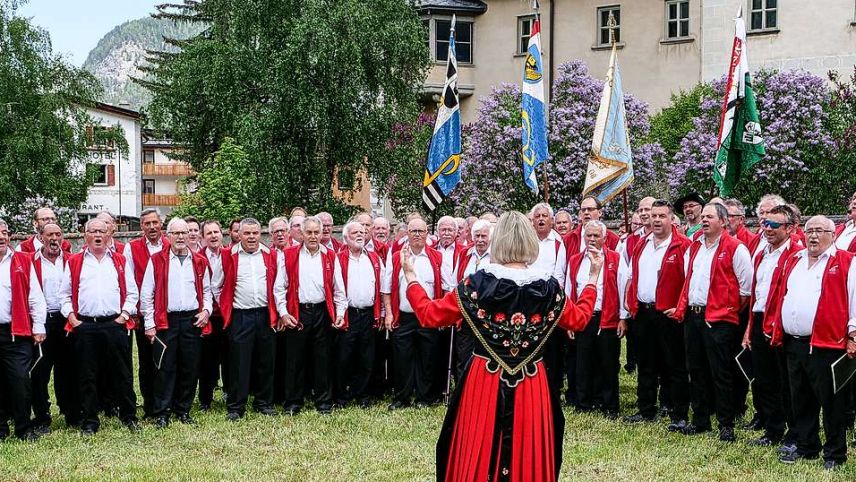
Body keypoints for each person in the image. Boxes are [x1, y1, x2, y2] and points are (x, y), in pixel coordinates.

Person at [403, 211, 602, 481]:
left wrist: (411, 277)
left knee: (479, 442)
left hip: (485, 379)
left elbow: (430, 314)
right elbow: (579, 320)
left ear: (498, 241)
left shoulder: (478, 283)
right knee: (527, 445)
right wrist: (592, 279)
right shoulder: (548, 287)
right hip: (531, 381)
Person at [768, 215, 856, 470]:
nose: (813, 236)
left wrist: (853, 336)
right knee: (801, 399)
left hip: (827, 344)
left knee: (832, 402)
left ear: (832, 234)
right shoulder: (794, 260)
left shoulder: (846, 261)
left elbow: (854, 300)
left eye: (820, 231)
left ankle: (835, 454)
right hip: (794, 343)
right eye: (809, 231)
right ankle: (807, 446)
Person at [668, 202, 753, 442]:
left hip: (719, 320)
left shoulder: (736, 248)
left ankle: (726, 423)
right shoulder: (694, 247)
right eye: (703, 216)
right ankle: (700, 420)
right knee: (696, 370)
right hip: (693, 316)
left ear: (723, 221)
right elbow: (689, 279)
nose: (704, 220)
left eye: (710, 216)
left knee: (721, 372)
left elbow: (745, 290)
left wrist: (726, 310)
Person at [60, 219, 140, 435]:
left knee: (122, 373)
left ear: (109, 235)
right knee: (86, 375)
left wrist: (124, 316)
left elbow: (132, 292)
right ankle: (90, 420)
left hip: (114, 325)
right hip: (85, 326)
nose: (97, 235)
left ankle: (129, 416)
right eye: (93, 231)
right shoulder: (75, 262)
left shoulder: (120, 260)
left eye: (101, 231)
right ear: (85, 235)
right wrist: (72, 319)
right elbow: (64, 295)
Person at [622, 200, 691, 431]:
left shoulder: (683, 245)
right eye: (654, 216)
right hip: (643, 311)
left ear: (672, 219)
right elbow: (632, 275)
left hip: (668, 314)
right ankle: (646, 409)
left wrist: (680, 308)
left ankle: (679, 413)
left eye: (662, 216)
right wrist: (630, 301)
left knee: (675, 365)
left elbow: (689, 280)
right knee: (646, 363)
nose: (657, 220)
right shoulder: (642, 243)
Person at [140, 218, 212, 428]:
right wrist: (149, 324)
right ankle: (162, 412)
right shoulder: (157, 260)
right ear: (168, 236)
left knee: (190, 367)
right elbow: (147, 295)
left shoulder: (199, 261)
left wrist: (206, 311)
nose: (181, 237)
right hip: (166, 321)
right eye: (176, 233)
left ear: (191, 236)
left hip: (192, 321)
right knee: (165, 367)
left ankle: (183, 410)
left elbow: (207, 291)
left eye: (184, 233)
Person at [741, 205, 802, 449]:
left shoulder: (797, 254)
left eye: (774, 225)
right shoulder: (761, 253)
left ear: (790, 228)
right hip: (759, 319)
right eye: (765, 224)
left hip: (781, 323)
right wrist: (749, 327)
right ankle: (772, 428)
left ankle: (795, 432)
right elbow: (756, 293)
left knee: (787, 381)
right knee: (764, 379)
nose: (767, 229)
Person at [218, 218, 288, 421]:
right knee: (239, 362)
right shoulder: (228, 255)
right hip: (241, 315)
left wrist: (279, 313)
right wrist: (225, 308)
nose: (251, 237)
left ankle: (263, 402)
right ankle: (236, 406)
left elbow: (279, 286)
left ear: (261, 234)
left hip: (265, 315)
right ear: (239, 235)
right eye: (247, 233)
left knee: (266, 361)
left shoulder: (271, 255)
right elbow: (216, 285)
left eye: (255, 233)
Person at [382, 218, 452, 409]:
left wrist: (442, 314)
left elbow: (447, 287)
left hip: (428, 318)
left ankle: (424, 398)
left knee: (427, 358)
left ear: (427, 233)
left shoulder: (437, 257)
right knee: (401, 359)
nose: (417, 235)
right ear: (407, 233)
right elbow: (386, 288)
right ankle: (402, 398)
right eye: (413, 231)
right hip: (403, 317)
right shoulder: (396, 257)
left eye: (421, 231)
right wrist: (389, 313)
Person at [281, 216, 347, 415]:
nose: (312, 236)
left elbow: (338, 289)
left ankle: (324, 403)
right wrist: (283, 313)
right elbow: (279, 287)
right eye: (308, 232)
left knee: (323, 358)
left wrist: (340, 312)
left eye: (316, 232)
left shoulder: (330, 255)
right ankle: (293, 403)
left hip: (321, 312)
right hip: (298, 311)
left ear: (321, 234)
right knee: (294, 360)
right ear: (301, 233)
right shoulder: (289, 255)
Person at [566, 220, 625, 419]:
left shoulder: (615, 258)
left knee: (608, 364)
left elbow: (622, 287)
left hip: (607, 317)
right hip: (583, 318)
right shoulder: (575, 260)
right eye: (588, 235)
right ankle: (584, 403)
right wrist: (569, 320)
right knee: (583, 363)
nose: (592, 239)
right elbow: (569, 290)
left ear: (604, 238)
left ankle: (610, 405)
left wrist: (623, 317)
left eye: (596, 236)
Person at [0, 218, 46, 441]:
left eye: (4, 232)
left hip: (15, 332)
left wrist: (38, 326)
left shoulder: (23, 260)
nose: (1, 237)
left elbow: (35, 296)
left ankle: (23, 427)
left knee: (20, 380)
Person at [30, 222, 76, 433]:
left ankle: (70, 412)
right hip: (43, 320)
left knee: (68, 368)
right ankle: (42, 416)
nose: (54, 239)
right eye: (50, 235)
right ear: (41, 237)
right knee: (40, 371)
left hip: (66, 320)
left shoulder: (71, 260)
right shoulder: (31, 261)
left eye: (58, 234)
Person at [333, 221, 383, 409]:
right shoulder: (339, 258)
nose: (360, 235)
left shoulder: (374, 258)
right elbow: (335, 288)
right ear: (346, 237)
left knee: (366, 357)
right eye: (355, 232)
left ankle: (362, 394)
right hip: (348, 314)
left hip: (368, 315)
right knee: (343, 357)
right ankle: (341, 396)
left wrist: (382, 312)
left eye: (362, 232)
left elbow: (382, 287)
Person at [123, 208, 166, 419]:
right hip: (143, 315)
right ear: (141, 227)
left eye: (154, 222)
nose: (151, 227)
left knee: (166, 361)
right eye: (147, 223)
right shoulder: (132, 248)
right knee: (147, 362)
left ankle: (166, 403)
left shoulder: (170, 244)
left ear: (161, 223)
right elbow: (129, 281)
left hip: (166, 314)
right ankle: (150, 406)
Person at [453, 219, 492, 379]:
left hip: (488, 317)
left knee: (485, 358)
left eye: (484, 236)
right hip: (466, 315)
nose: (480, 240)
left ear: (490, 237)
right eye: (477, 236)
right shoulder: (465, 254)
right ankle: (462, 389)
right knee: (464, 356)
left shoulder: (497, 256)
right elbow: (455, 283)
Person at [198, 220, 229, 410]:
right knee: (207, 360)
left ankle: (230, 393)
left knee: (230, 357)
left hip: (227, 316)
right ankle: (205, 399)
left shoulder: (230, 255)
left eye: (216, 232)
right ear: (202, 237)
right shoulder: (197, 258)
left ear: (222, 234)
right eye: (209, 233)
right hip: (208, 317)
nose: (213, 236)